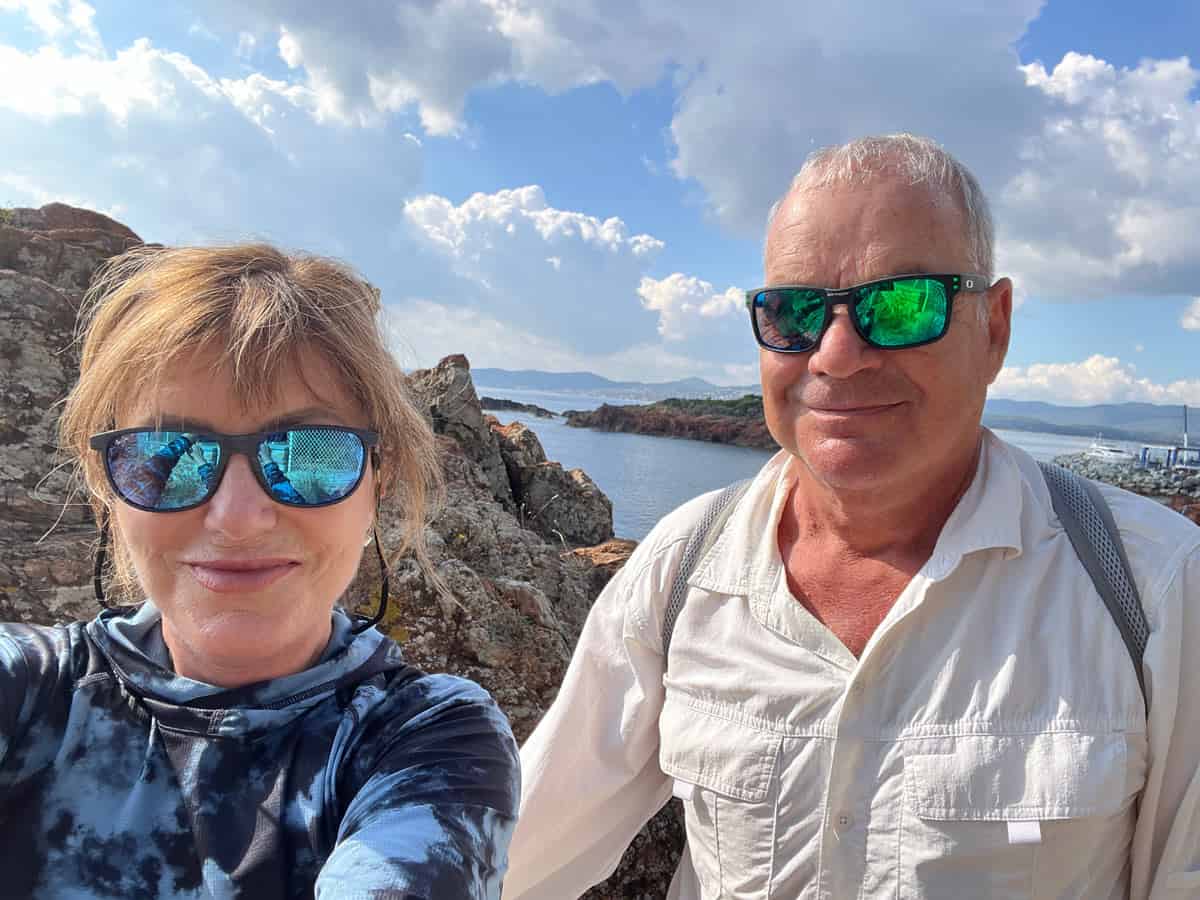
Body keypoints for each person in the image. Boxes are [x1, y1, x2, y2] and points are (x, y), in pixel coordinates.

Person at [504, 134, 1200, 899]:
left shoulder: (1152, 587)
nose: (835, 355)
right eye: (793, 312)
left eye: (900, 305)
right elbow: (515, 855)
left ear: (995, 327)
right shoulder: (685, 567)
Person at [0, 244, 520, 898]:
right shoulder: (26, 686)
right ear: (105, 484)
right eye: (168, 455)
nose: (238, 518)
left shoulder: (427, 743)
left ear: (378, 480)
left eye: (309, 454)